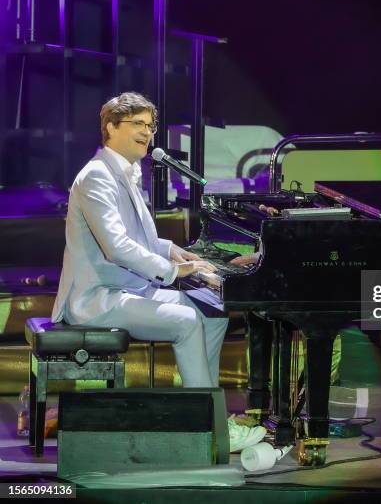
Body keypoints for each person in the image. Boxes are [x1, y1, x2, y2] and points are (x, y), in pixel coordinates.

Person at [51, 91, 265, 451]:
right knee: (185, 320)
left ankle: (209, 411)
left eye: (150, 126)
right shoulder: (96, 176)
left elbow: (141, 238)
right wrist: (174, 271)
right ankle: (208, 431)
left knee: (214, 313)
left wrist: (175, 252)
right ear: (111, 126)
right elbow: (117, 247)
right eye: (137, 124)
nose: (147, 133)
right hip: (97, 297)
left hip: (127, 287)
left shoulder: (126, 172)